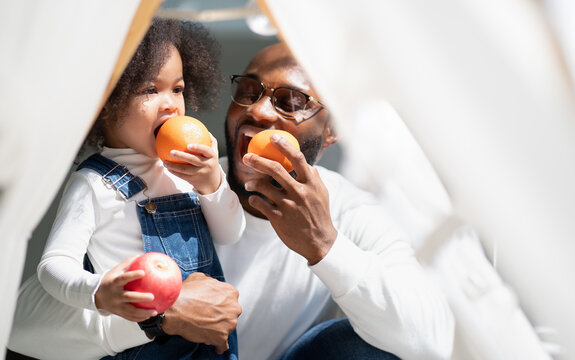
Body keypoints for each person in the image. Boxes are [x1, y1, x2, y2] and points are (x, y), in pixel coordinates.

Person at [9, 41, 455, 360]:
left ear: (332, 131)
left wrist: (325, 246)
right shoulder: (165, 186)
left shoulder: (349, 211)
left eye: (290, 101)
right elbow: (20, 326)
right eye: (250, 91)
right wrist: (159, 314)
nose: (259, 111)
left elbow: (431, 340)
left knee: (360, 344)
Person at [8, 18, 244, 360]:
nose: (170, 104)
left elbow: (230, 233)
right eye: (150, 90)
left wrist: (212, 184)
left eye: (177, 89)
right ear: (105, 104)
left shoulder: (189, 169)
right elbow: (54, 265)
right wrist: (98, 292)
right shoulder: (93, 183)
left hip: (208, 337)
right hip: (141, 344)